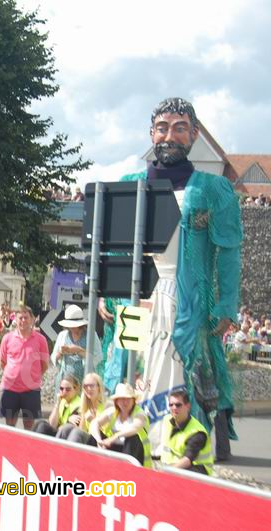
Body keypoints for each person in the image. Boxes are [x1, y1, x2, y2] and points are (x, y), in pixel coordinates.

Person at [99, 98, 241, 460]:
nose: (170, 136)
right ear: (151, 133)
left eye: (179, 128)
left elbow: (228, 252)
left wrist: (225, 305)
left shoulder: (213, 189)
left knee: (176, 367)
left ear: (193, 134)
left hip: (186, 295)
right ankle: (126, 440)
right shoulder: (131, 183)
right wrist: (105, 291)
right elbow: (114, 246)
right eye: (162, 128)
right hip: (135, 295)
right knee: (131, 365)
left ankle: (171, 445)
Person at [0, 305, 49, 430]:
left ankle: (26, 449)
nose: (23, 321)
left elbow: (45, 364)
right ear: (15, 319)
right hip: (10, 388)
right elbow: (2, 361)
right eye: (20, 318)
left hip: (31, 389)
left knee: (29, 427)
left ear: (32, 319)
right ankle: (11, 448)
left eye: (26, 318)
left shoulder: (41, 340)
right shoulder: (7, 338)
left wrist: (33, 376)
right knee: (9, 425)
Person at [89, 383, 152, 468]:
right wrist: (99, 440)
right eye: (122, 399)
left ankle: (126, 472)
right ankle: (88, 469)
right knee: (92, 437)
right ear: (117, 401)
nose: (125, 402)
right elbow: (94, 423)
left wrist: (115, 437)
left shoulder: (140, 413)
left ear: (133, 400)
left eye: (128, 399)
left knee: (132, 438)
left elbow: (135, 428)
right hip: (116, 449)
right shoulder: (113, 411)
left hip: (135, 454)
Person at [160, 389, 214, 475]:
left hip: (196, 473)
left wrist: (165, 472)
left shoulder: (197, 433)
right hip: (171, 468)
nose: (174, 408)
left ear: (188, 406)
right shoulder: (167, 420)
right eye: (171, 405)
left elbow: (187, 460)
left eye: (178, 405)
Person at [50, 305, 102, 393]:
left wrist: (78, 350)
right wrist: (61, 352)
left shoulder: (91, 335)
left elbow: (98, 357)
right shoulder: (63, 335)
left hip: (85, 380)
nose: (72, 328)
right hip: (66, 381)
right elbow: (54, 357)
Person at [59, 373, 108, 446]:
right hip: (91, 440)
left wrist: (93, 421)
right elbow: (82, 429)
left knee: (77, 433)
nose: (89, 389)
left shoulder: (107, 405)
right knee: (66, 428)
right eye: (86, 386)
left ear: (99, 387)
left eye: (92, 386)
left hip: (104, 441)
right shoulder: (85, 406)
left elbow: (107, 431)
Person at [34, 374, 82, 438]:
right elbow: (52, 424)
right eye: (61, 389)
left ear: (76, 389)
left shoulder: (79, 404)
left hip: (67, 435)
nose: (64, 392)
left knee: (43, 426)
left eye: (68, 389)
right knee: (40, 423)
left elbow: (70, 428)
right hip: (59, 431)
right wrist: (57, 404)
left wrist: (66, 421)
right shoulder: (62, 401)